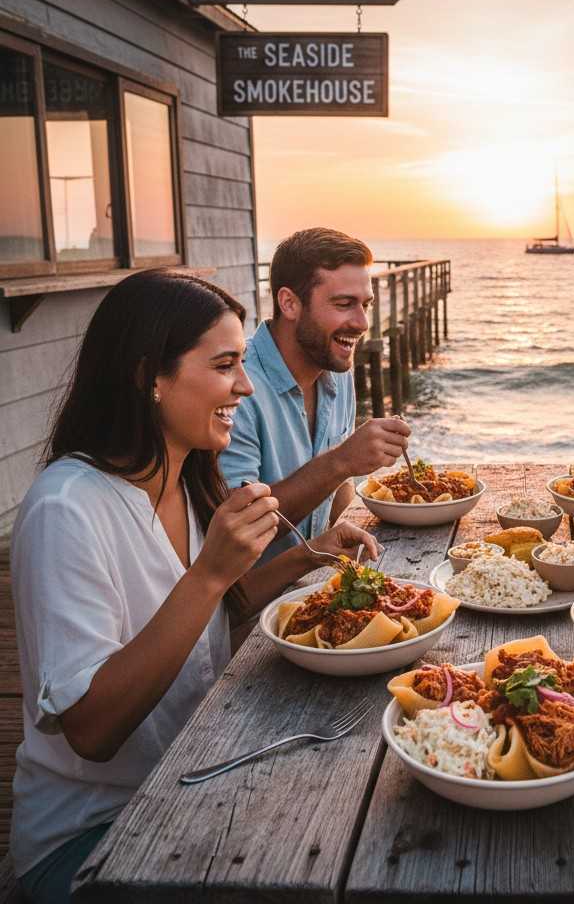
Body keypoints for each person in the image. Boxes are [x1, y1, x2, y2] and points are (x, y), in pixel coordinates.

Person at [10, 270, 372, 903]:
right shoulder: (67, 508)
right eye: (225, 365)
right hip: (94, 836)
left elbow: (206, 631)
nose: (246, 385)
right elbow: (92, 731)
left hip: (191, 772)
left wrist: (307, 557)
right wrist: (209, 573)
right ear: (150, 375)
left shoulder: (184, 480)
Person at [219, 228, 409, 566]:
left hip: (316, 579)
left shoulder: (337, 369)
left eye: (365, 305)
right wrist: (341, 461)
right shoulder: (236, 386)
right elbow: (239, 530)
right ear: (289, 303)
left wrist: (348, 523)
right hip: (249, 607)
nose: (362, 322)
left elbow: (338, 490)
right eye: (344, 304)